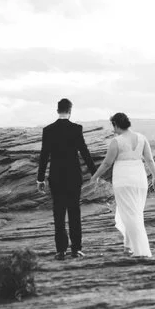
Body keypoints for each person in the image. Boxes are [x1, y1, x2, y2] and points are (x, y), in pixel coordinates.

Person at [89, 112, 155, 257]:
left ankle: (141, 250)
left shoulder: (117, 141)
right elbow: (150, 160)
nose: (113, 129)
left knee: (129, 213)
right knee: (134, 212)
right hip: (140, 179)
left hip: (123, 179)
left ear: (116, 124)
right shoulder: (142, 138)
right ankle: (128, 246)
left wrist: (95, 176)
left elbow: (107, 163)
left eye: (113, 126)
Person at [37, 98, 97, 260]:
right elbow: (84, 152)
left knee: (58, 213)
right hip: (73, 177)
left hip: (56, 177)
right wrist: (95, 173)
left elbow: (44, 156)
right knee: (74, 213)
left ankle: (60, 250)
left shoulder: (48, 130)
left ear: (58, 110)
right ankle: (75, 249)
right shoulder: (76, 129)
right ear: (70, 111)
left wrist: (40, 179)